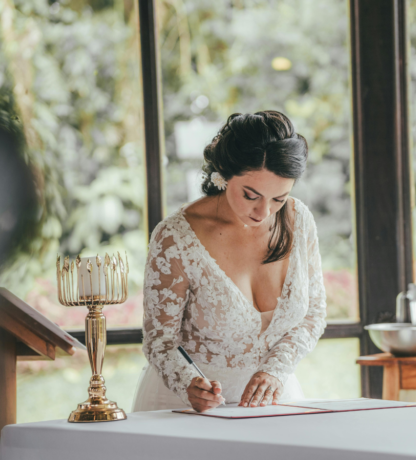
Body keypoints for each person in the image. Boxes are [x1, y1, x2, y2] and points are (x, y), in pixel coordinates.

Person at [132, 111, 327, 413]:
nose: (264, 212)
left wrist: (275, 370)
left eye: (279, 199)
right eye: (251, 195)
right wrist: (188, 384)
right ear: (224, 173)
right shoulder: (176, 237)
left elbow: (313, 314)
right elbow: (159, 341)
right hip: (188, 406)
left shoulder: (298, 220)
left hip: (273, 399)